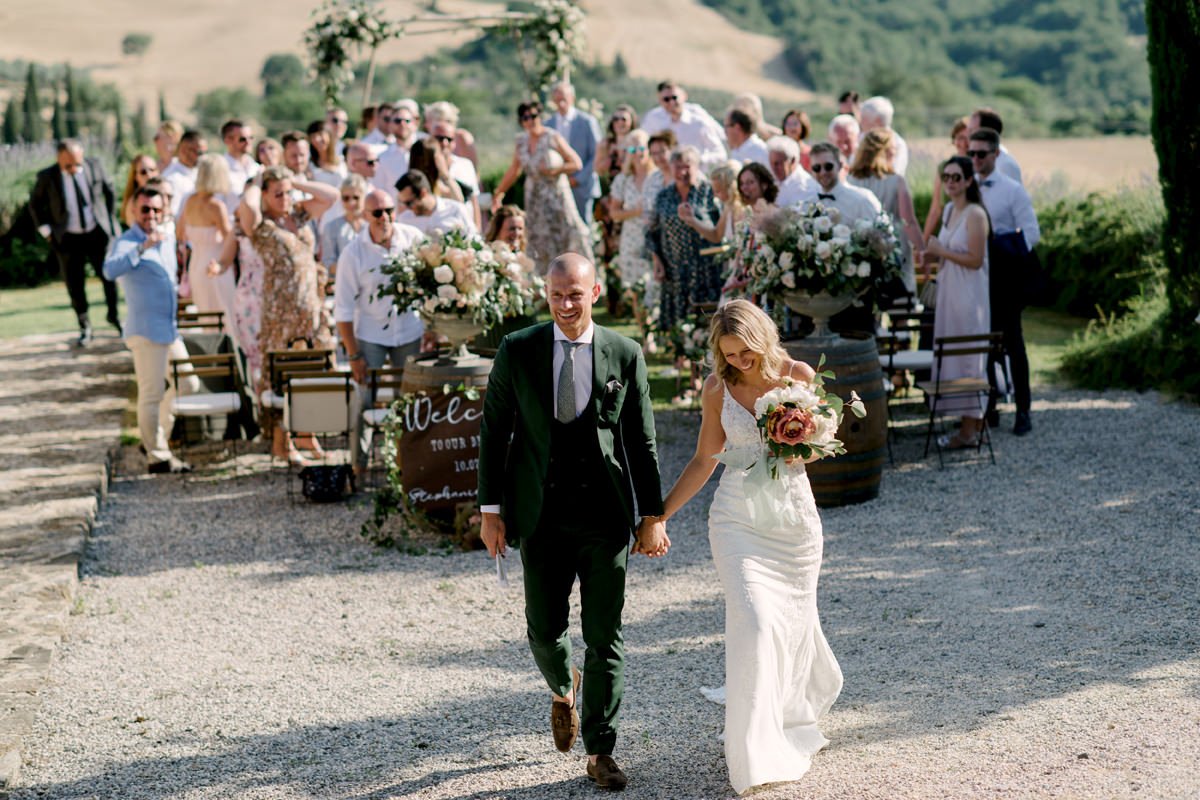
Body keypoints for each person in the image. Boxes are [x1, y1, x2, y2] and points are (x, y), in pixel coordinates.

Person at [478, 253, 668, 792]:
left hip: (605, 516)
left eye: (575, 294)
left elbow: (642, 440)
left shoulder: (624, 353)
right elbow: (494, 430)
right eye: (556, 294)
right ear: (546, 294)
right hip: (539, 515)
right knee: (544, 630)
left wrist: (652, 516)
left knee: (605, 635)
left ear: (595, 292)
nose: (565, 305)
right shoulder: (518, 349)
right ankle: (564, 686)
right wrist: (490, 511)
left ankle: (600, 749)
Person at [657, 299, 842, 796]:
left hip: (793, 523)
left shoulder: (798, 375)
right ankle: (753, 750)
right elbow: (704, 459)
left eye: (745, 352)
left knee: (790, 624)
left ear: (763, 339)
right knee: (756, 622)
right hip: (737, 520)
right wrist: (660, 514)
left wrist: (803, 442)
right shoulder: (716, 388)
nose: (738, 361)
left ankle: (786, 715)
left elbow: (820, 447)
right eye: (729, 354)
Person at [102, 186, 199, 474]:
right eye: (145, 209)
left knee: (188, 383)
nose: (152, 215)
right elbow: (109, 270)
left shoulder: (166, 239)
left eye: (157, 209)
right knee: (151, 394)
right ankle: (157, 456)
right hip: (145, 331)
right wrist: (141, 247)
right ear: (134, 210)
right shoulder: (127, 241)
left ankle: (155, 439)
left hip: (168, 328)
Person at [250, 166, 339, 463]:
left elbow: (331, 196)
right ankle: (282, 442)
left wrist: (295, 182)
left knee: (312, 371)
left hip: (310, 308)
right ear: (265, 195)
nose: (285, 199)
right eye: (278, 194)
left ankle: (306, 434)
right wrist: (257, 182)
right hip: (280, 314)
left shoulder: (299, 215)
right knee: (282, 375)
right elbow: (247, 208)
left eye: (287, 193)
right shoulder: (262, 225)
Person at [335, 189, 424, 474]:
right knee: (363, 399)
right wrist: (353, 355)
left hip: (409, 330)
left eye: (389, 210)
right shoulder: (353, 253)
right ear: (365, 216)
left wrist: (432, 328)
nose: (384, 217)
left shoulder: (413, 239)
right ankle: (359, 466)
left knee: (408, 400)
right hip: (370, 334)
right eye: (377, 212)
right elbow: (343, 309)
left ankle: (406, 464)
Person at [970, 127, 1039, 436]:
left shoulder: (1012, 190)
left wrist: (998, 245)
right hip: (975, 277)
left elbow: (1032, 233)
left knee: (1013, 342)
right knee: (982, 344)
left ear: (996, 154)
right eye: (971, 153)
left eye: (981, 153)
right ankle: (989, 407)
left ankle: (1023, 410)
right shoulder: (967, 188)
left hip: (1006, 278)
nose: (975, 159)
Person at [922, 155, 991, 448]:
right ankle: (967, 424)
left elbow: (975, 260)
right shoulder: (949, 210)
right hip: (949, 293)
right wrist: (931, 255)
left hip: (969, 297)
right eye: (946, 177)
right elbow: (947, 250)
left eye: (956, 177)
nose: (950, 182)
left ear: (968, 181)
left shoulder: (976, 214)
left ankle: (970, 430)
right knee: (951, 356)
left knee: (968, 358)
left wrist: (942, 251)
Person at [30, 138, 122, 346]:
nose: (73, 168)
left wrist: (109, 220)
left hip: (96, 232)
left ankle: (114, 316)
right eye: (68, 165)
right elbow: (35, 204)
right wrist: (46, 231)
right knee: (74, 283)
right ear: (59, 158)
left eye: (77, 163)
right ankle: (85, 326)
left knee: (109, 276)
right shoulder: (47, 176)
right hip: (68, 237)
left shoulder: (94, 166)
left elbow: (109, 190)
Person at [492, 100, 592, 273]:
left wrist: (554, 170)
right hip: (534, 198)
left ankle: (576, 273)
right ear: (521, 121)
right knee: (538, 241)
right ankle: (545, 280)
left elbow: (576, 163)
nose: (530, 121)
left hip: (556, 196)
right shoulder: (521, 141)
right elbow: (514, 170)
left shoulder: (552, 136)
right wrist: (499, 192)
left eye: (533, 116)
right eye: (525, 118)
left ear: (539, 117)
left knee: (566, 236)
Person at [646, 146, 722, 333]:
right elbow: (652, 231)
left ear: (697, 167)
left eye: (687, 166)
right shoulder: (664, 195)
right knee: (676, 325)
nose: (682, 172)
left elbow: (721, 230)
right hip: (673, 270)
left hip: (705, 270)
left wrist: (693, 220)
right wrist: (657, 260)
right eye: (677, 167)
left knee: (707, 324)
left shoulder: (709, 192)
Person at [847, 128, 924, 294]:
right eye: (893, 149)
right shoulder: (896, 181)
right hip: (893, 244)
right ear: (885, 152)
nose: (895, 154)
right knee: (900, 295)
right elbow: (909, 221)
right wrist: (922, 249)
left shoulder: (850, 180)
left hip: (861, 244)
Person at [607, 129, 659, 317]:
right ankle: (644, 329)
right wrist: (634, 212)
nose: (638, 153)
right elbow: (614, 213)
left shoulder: (659, 176)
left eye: (642, 148)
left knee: (656, 284)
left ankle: (656, 325)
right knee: (637, 288)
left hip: (655, 237)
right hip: (631, 239)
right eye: (632, 149)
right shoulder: (623, 180)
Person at [177, 154, 235, 321]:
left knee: (205, 313)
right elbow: (229, 239)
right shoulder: (216, 206)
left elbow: (179, 233)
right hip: (216, 264)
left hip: (196, 264)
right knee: (224, 311)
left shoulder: (189, 201)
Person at [640, 81, 727, 172]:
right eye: (666, 99)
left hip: (696, 174)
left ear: (684, 96)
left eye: (674, 97)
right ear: (660, 101)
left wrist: (697, 159)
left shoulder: (698, 122)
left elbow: (720, 154)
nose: (671, 102)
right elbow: (643, 144)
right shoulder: (655, 120)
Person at [548, 81, 602, 224]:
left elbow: (597, 154)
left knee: (583, 228)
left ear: (572, 98)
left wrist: (577, 179)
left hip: (582, 187)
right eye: (557, 100)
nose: (561, 104)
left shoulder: (587, 122)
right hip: (556, 188)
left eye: (564, 99)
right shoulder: (548, 125)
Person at [923, 117, 971, 240]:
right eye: (960, 138)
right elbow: (935, 208)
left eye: (969, 138)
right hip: (949, 230)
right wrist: (923, 241)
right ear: (954, 140)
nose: (964, 143)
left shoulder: (978, 168)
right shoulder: (944, 167)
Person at [394, 171, 476, 236]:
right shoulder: (404, 220)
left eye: (409, 203)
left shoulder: (455, 209)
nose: (407, 208)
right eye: (402, 203)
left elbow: (474, 238)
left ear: (423, 193)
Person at [320, 174, 369, 274]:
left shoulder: (373, 224)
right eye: (346, 198)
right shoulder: (332, 227)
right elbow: (327, 262)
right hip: (345, 279)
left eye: (356, 197)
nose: (351, 202)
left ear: (364, 197)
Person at [968, 107, 1023, 184]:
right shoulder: (974, 158)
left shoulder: (1005, 165)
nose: (968, 135)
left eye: (972, 130)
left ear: (988, 131)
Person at [161, 130, 207, 216]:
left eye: (205, 152)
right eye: (200, 152)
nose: (203, 157)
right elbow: (173, 213)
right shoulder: (171, 179)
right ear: (184, 151)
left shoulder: (199, 171)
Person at [859, 96, 909, 176]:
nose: (860, 122)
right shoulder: (861, 137)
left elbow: (895, 174)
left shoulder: (897, 144)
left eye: (864, 118)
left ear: (877, 120)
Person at [767, 135, 815, 208]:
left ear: (792, 161)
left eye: (777, 164)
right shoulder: (774, 180)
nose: (773, 168)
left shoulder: (805, 187)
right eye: (771, 163)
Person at [220, 119, 259, 206]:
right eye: (242, 139)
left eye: (251, 138)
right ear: (227, 140)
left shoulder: (256, 168)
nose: (248, 142)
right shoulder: (219, 169)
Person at [596, 104, 637, 179]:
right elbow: (598, 170)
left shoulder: (636, 142)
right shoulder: (606, 143)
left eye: (623, 119)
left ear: (631, 121)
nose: (619, 122)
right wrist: (610, 156)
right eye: (616, 119)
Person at [120, 155, 159, 227]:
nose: (149, 175)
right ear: (135, 177)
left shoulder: (160, 196)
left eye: (152, 170)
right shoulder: (133, 203)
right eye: (143, 172)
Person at [307, 120, 346, 186]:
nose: (317, 139)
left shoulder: (343, 160)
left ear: (329, 135)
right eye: (313, 136)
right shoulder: (309, 164)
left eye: (320, 134)